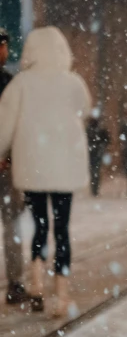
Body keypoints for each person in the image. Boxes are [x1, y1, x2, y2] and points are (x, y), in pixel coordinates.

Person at [0, 26, 91, 316]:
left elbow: (4, 125)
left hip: (34, 168)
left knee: (40, 225)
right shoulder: (73, 82)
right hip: (65, 168)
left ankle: (37, 283)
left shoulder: (21, 83)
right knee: (61, 229)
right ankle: (62, 295)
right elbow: (84, 110)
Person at [0, 27, 28, 305]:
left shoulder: (10, 81)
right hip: (6, 166)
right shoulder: (10, 83)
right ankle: (15, 283)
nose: (4, 51)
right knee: (12, 227)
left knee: (12, 227)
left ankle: (15, 282)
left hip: (7, 167)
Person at [86, 110, 110, 196]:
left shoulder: (99, 129)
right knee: (94, 171)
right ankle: (94, 188)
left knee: (95, 171)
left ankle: (95, 188)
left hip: (97, 152)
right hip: (93, 152)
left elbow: (106, 139)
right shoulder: (89, 129)